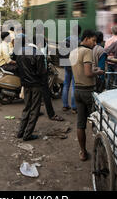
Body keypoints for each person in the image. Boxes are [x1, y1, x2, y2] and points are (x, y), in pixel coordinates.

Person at [69, 30, 104, 161]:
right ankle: (99, 151)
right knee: (97, 122)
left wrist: (92, 70)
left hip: (77, 90)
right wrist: (98, 72)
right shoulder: (87, 52)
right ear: (87, 38)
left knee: (80, 123)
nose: (95, 44)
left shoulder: (73, 52)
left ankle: (83, 152)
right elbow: (88, 73)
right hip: (88, 91)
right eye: (93, 40)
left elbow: (80, 70)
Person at [16, 35, 47, 141]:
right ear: (39, 44)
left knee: (27, 107)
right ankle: (27, 134)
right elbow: (41, 72)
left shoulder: (21, 51)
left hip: (25, 84)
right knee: (35, 110)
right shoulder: (39, 54)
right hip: (36, 85)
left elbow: (18, 68)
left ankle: (20, 132)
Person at [29, 35, 64, 122]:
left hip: (30, 77)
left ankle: (34, 112)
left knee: (33, 96)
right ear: (39, 43)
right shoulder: (38, 54)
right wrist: (44, 74)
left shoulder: (25, 50)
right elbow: (41, 68)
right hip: (40, 77)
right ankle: (51, 114)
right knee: (46, 95)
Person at [61, 25, 81, 114]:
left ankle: (65, 105)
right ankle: (74, 107)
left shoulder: (66, 39)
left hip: (66, 62)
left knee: (66, 84)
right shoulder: (79, 41)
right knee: (74, 85)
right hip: (74, 64)